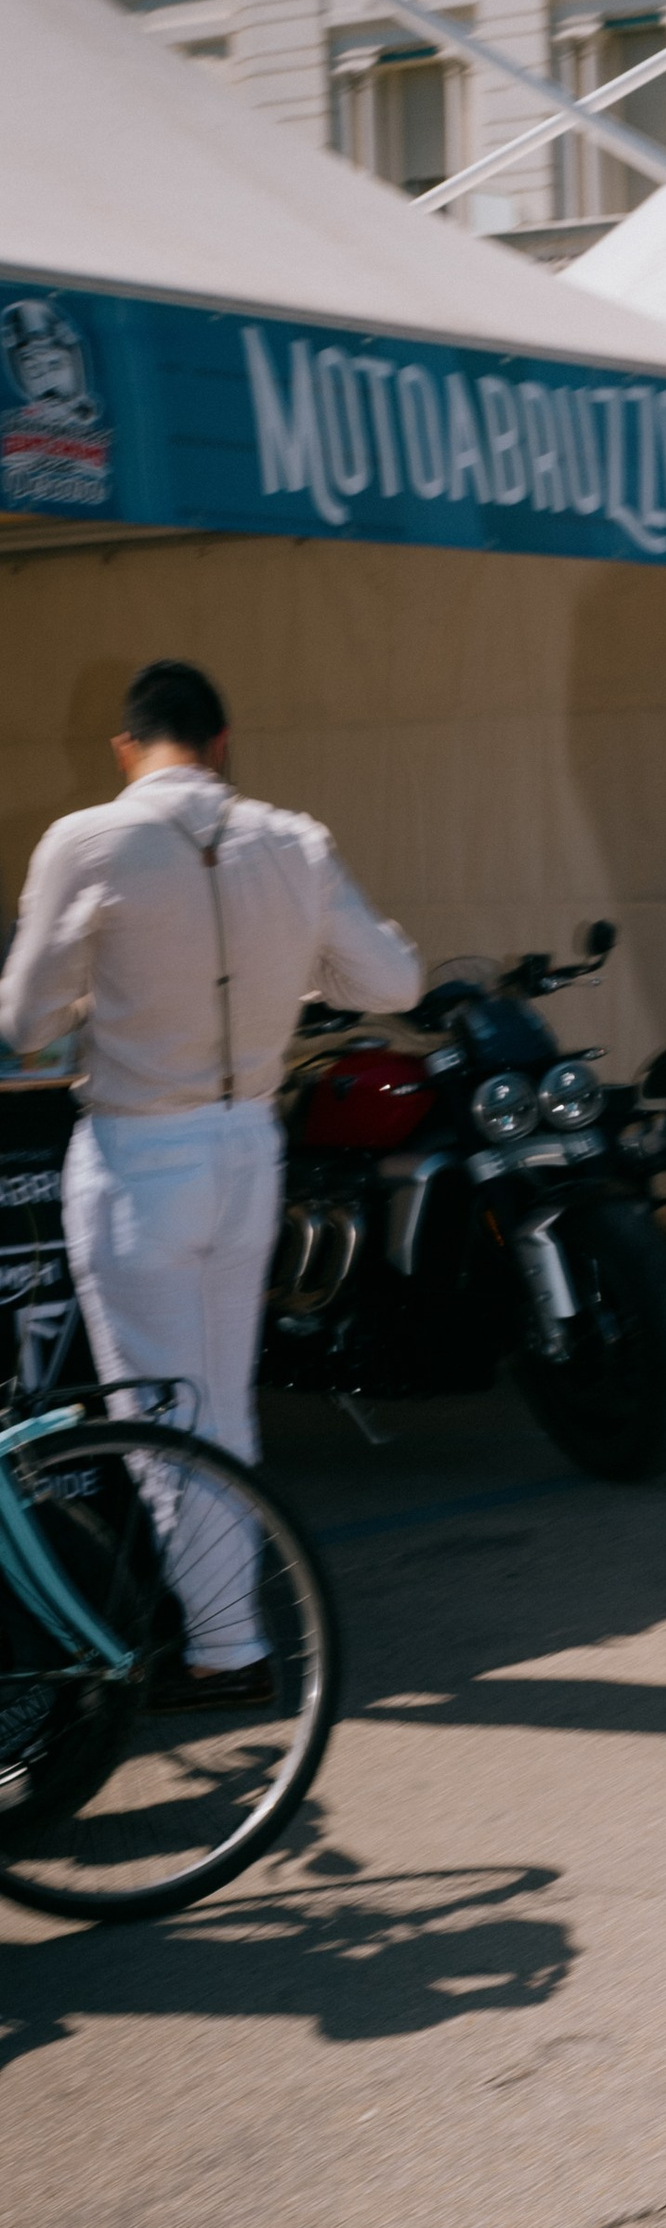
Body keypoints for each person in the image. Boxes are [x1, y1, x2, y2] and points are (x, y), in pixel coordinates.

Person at [0, 659, 418, 1686]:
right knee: (222, 1405)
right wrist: (303, 966)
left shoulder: (87, 840)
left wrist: (96, 995)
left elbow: (24, 1020)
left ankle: (227, 1647)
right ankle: (232, 1631)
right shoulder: (295, 839)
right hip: (248, 1146)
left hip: (140, 1149)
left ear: (126, 747)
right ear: (223, 743)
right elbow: (392, 980)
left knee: (159, 1416)